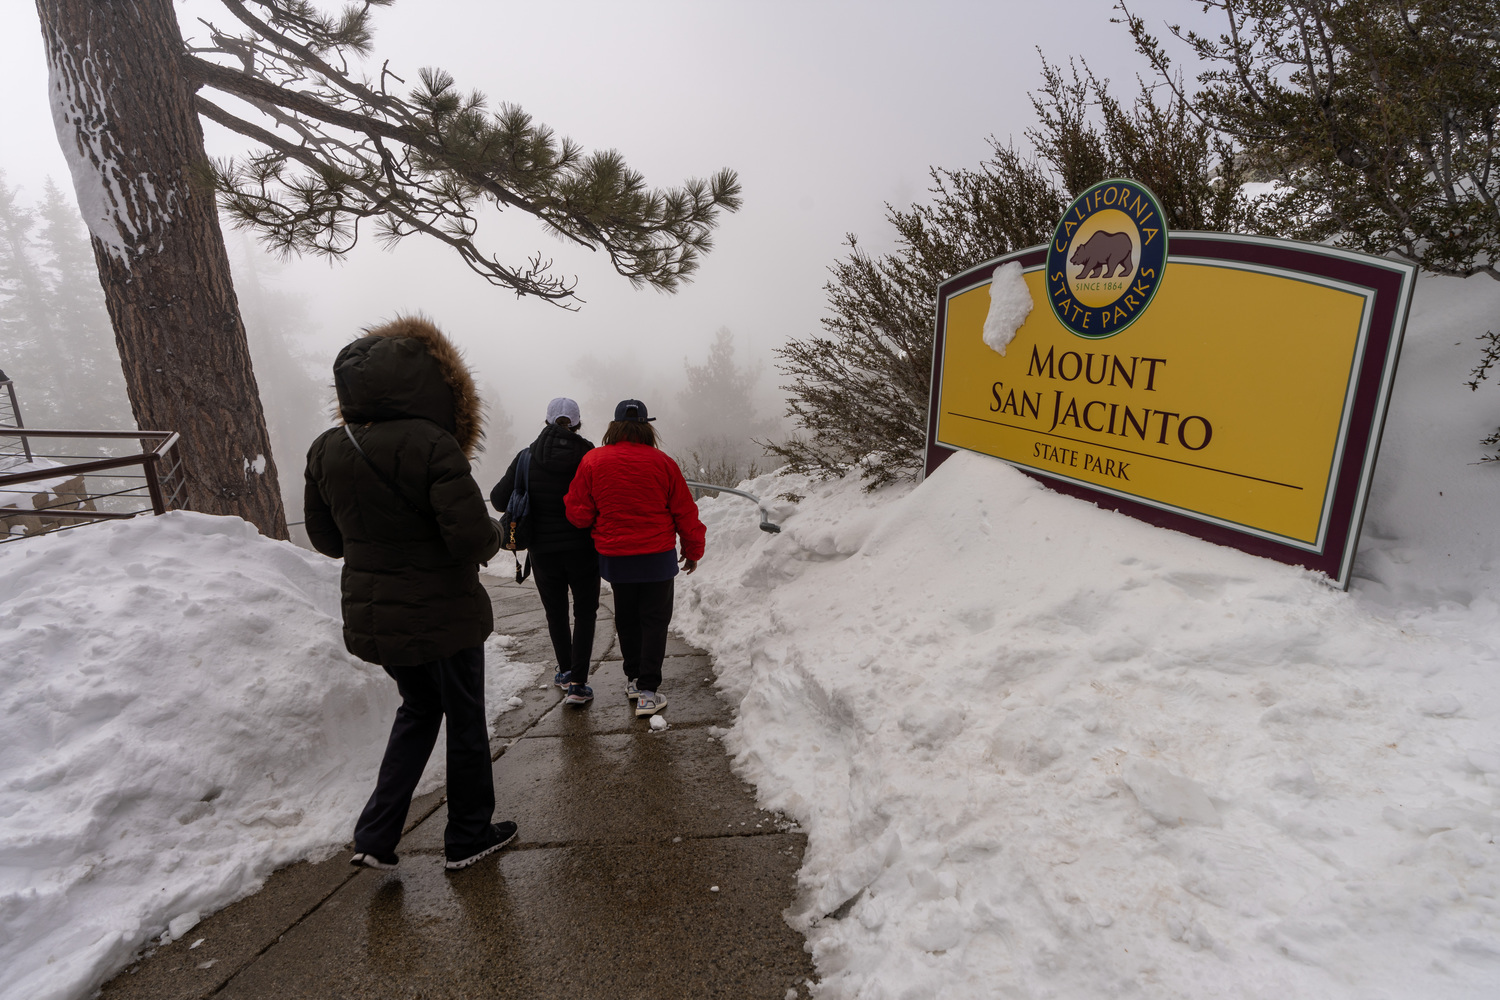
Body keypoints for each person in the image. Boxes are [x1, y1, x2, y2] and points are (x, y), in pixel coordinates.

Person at [303, 315, 517, 872]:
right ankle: (468, 835)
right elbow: (471, 538)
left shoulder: (327, 447)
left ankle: (375, 834)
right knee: (464, 718)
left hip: (378, 616)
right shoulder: (433, 445)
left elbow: (327, 541)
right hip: (444, 613)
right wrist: (498, 533)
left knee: (418, 709)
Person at [564, 398, 706, 717]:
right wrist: (693, 550)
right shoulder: (663, 462)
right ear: (647, 427)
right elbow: (685, 511)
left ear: (614, 427)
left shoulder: (593, 461)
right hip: (657, 556)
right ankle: (648, 691)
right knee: (654, 621)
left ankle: (633, 679)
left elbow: (578, 514)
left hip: (616, 557)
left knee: (627, 618)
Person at [491, 397, 599, 707]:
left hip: (543, 552)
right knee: (585, 612)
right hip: (582, 548)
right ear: (576, 424)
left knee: (556, 613)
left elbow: (499, 499)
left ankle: (565, 671)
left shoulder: (527, 456)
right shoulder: (589, 455)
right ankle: (578, 684)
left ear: (547, 421)